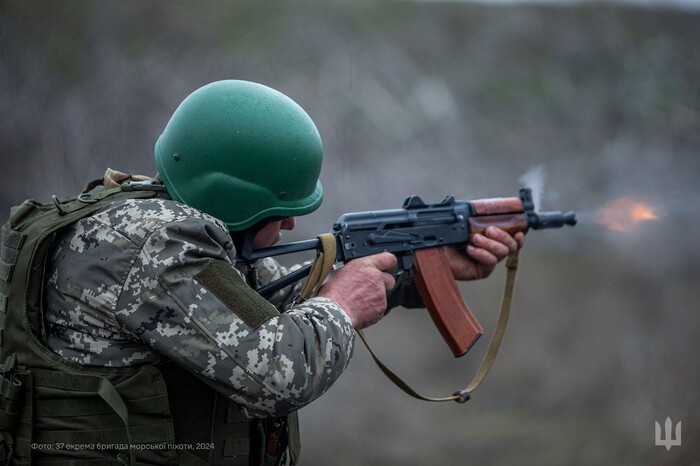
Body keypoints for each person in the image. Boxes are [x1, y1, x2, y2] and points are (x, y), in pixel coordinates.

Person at [4, 80, 523, 465]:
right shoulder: (154, 243)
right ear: (236, 201)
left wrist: (423, 270)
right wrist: (341, 307)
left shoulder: (154, 222)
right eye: (280, 212)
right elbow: (275, 371)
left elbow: (264, 294)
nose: (293, 223)